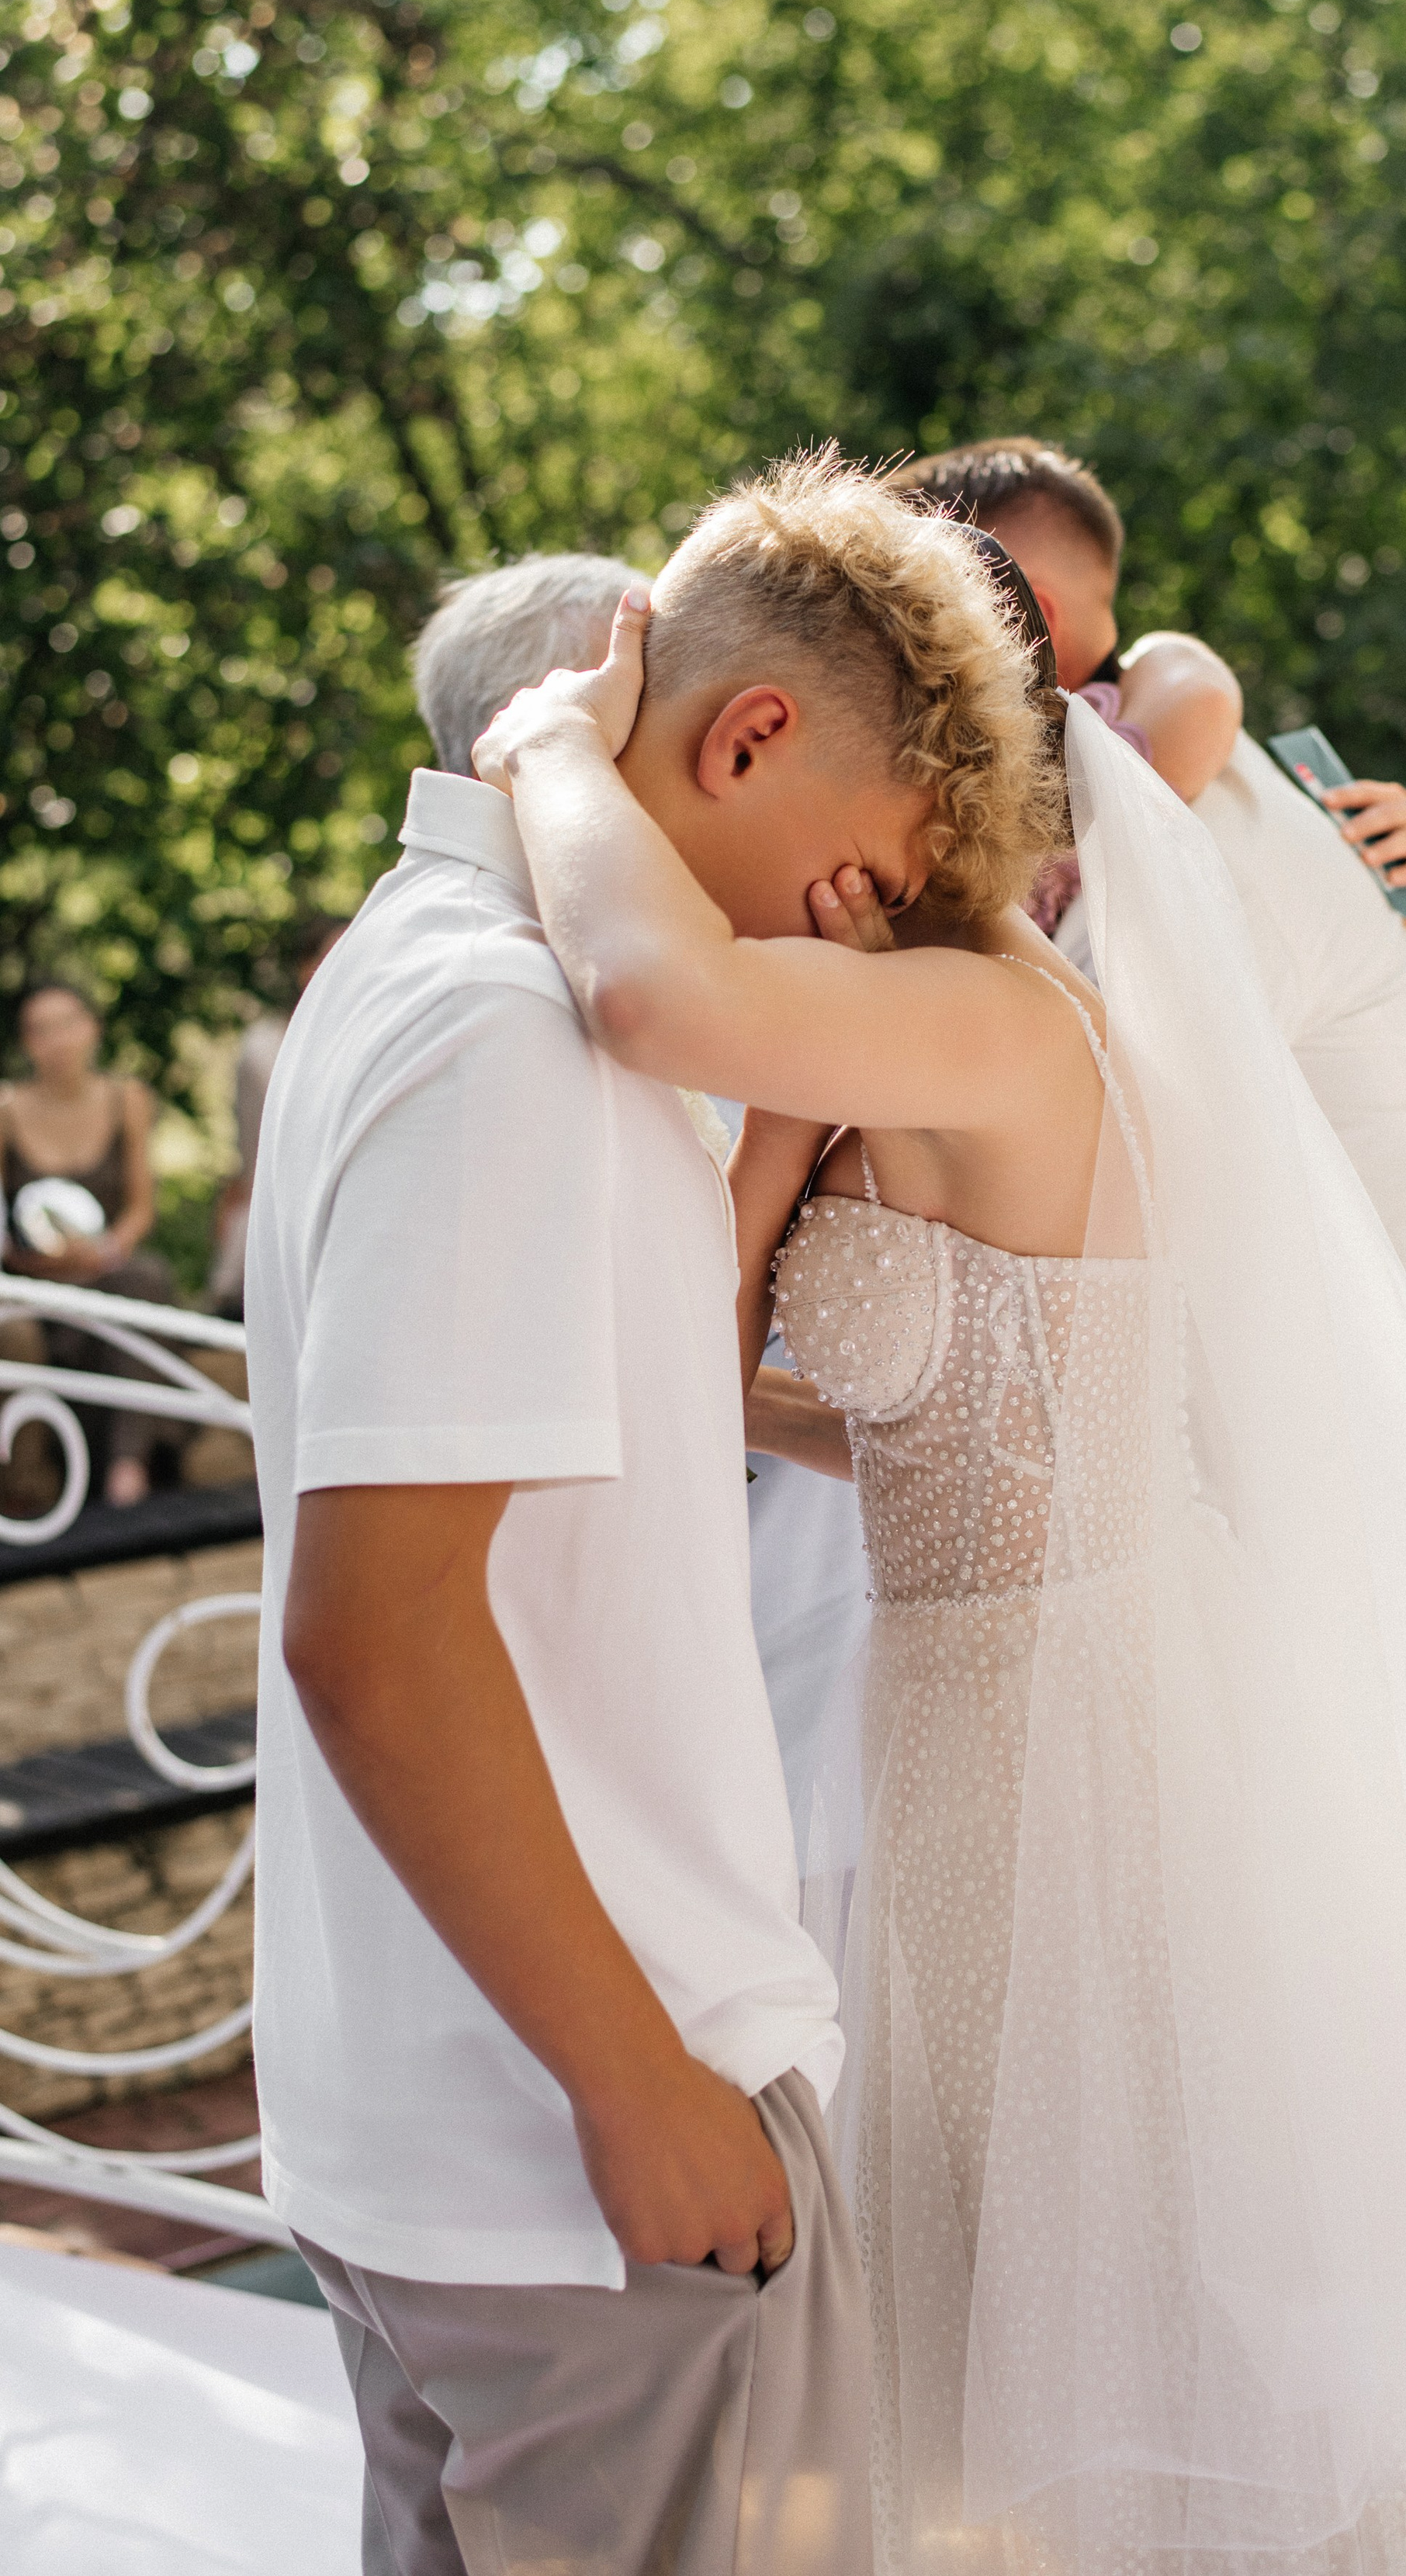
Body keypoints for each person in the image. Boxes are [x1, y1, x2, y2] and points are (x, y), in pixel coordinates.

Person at [480, 559, 1406, 2575]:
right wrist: (769, 1113)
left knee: (1215, 2306)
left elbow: (646, 986)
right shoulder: (848, 1060)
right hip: (936, 1719)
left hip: (1118, 1715)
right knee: (1012, 2313)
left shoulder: (1000, 1022)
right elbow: (703, 1344)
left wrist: (542, 752)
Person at [244, 474, 1047, 2576]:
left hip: (464, 2122)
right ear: (750, 738)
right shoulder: (507, 1035)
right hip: (582, 2136)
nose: (846, 929)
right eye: (856, 868)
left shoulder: (425, 974)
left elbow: (624, 1415)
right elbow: (378, 1632)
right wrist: (637, 2083)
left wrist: (777, 1126)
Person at [892, 438, 1406, 1623]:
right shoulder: (1129, 785)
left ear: (1009, 603)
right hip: (1390, 1439)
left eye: (907, 612)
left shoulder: (1171, 814)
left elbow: (1089, 1105)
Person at [1, 981, 178, 1505]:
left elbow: (140, 1207)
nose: (58, 1040)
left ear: (91, 1029)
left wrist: (99, 1252)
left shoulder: (128, 1099)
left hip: (106, 1270)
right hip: (35, 1279)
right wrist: (42, 1258)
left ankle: (128, 1465)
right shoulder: (8, 1109)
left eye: (67, 1023)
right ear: (27, 1041)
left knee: (146, 1279)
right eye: (42, 1029)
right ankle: (31, 1486)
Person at [205, 916, 346, 1316]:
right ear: (305, 968)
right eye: (326, 956)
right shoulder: (265, 1049)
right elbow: (254, 1157)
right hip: (280, 1217)